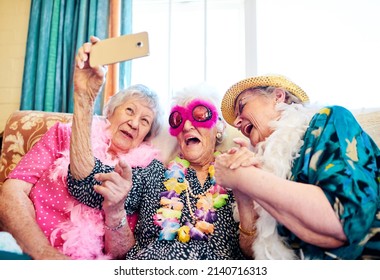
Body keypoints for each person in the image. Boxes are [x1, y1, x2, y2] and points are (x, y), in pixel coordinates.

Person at [0, 36, 163, 260]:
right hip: (29, 247)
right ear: (111, 112)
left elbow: (123, 253)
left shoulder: (146, 173)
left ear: (147, 134)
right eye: (129, 111)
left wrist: (115, 211)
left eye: (145, 121)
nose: (135, 123)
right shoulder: (62, 134)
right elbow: (12, 193)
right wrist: (43, 253)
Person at [67, 82, 253, 259]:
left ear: (218, 126)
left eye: (199, 114)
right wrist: (84, 99)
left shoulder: (236, 171)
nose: (187, 126)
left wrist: (244, 197)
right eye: (178, 119)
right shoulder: (153, 172)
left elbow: (255, 252)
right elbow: (84, 182)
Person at [214, 74, 380, 260]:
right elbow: (254, 255)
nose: (236, 123)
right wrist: (243, 196)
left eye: (242, 106)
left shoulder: (329, 120)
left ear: (278, 96)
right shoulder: (261, 166)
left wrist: (245, 178)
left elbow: (344, 220)